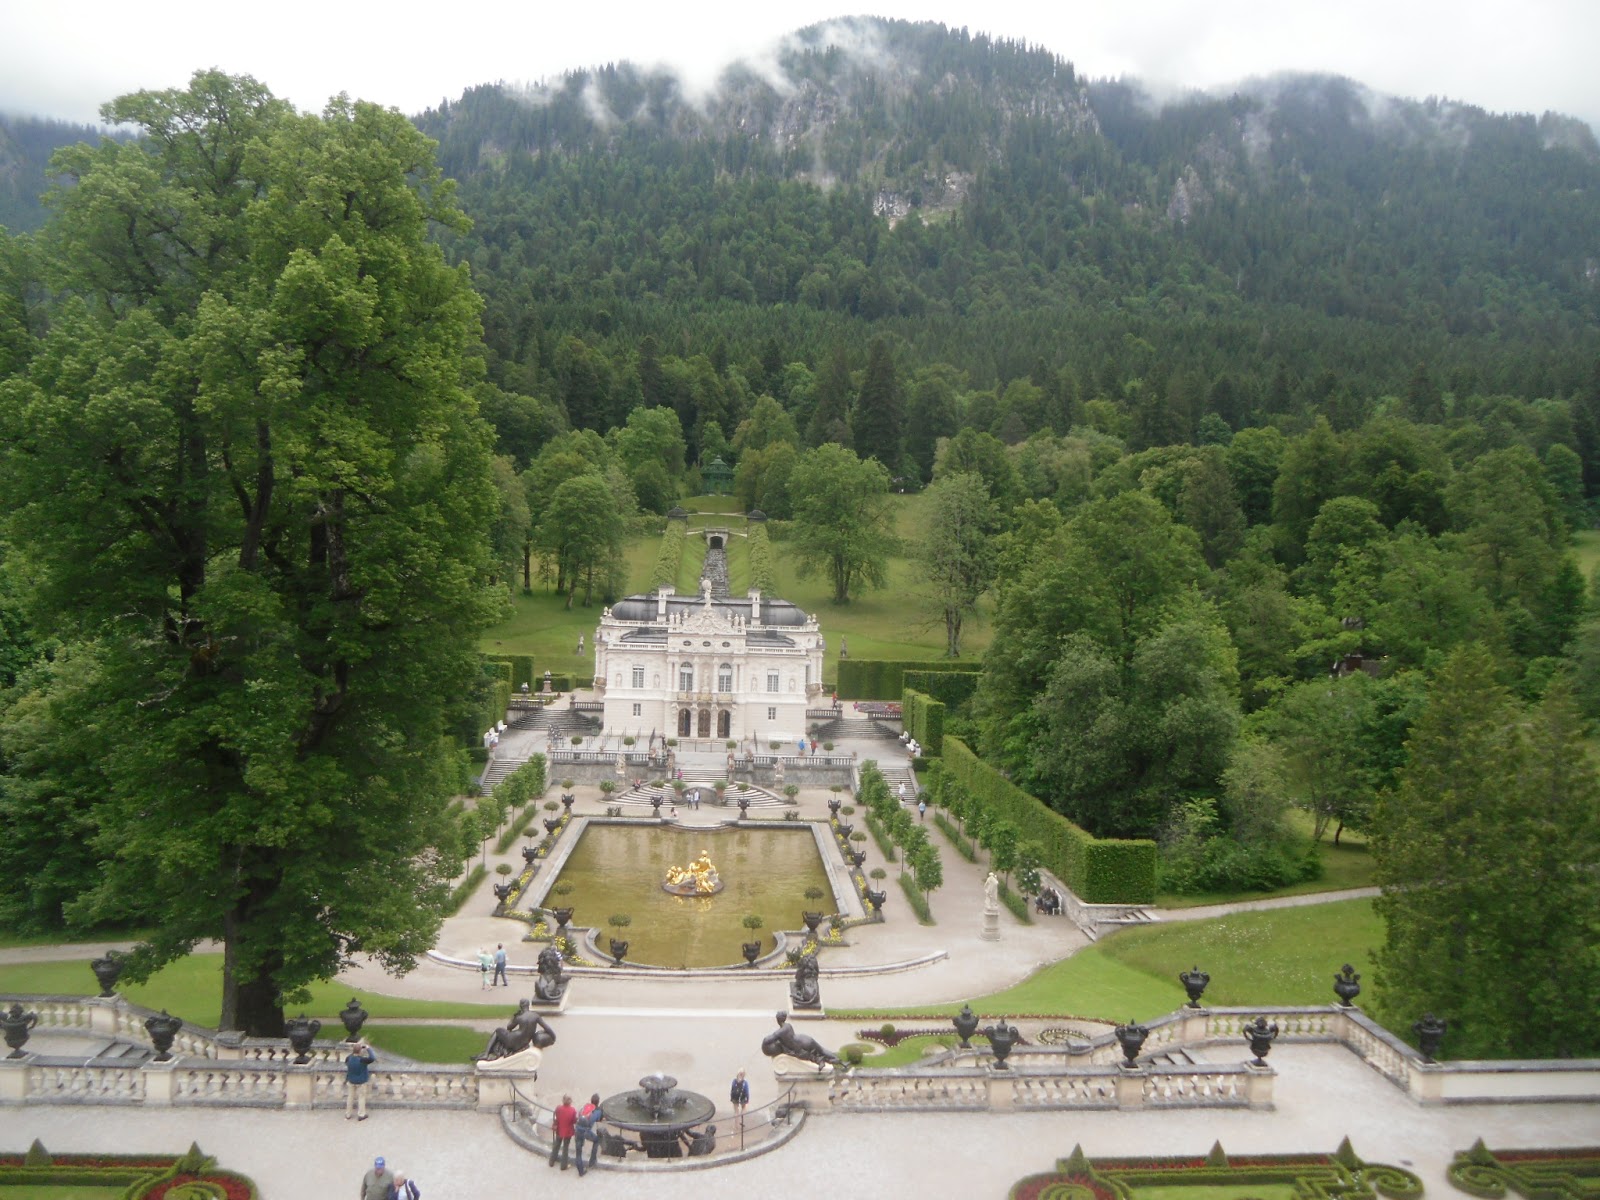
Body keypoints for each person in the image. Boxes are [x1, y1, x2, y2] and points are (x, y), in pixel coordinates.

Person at [345, 1041, 376, 1121]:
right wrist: (368, 1048)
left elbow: (348, 1059)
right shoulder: (362, 1060)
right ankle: (361, 1114)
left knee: (350, 1097)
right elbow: (372, 1058)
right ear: (360, 1051)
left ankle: (348, 1114)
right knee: (361, 1098)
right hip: (361, 1082)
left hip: (351, 1080)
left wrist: (356, 1049)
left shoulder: (349, 1058)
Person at [574, 1092, 602, 1176]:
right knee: (597, 1140)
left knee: (578, 1152)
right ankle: (592, 1161)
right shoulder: (597, 1112)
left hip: (577, 1130)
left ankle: (580, 1171)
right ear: (598, 1102)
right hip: (586, 1131)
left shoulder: (585, 1107)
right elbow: (598, 1119)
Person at [550, 1093, 578, 1170]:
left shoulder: (558, 1108)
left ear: (562, 1100)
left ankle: (551, 1161)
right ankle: (563, 1165)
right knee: (565, 1149)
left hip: (559, 1129)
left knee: (556, 1146)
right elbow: (574, 1121)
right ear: (570, 1101)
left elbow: (556, 1115)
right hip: (568, 1132)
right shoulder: (572, 1110)